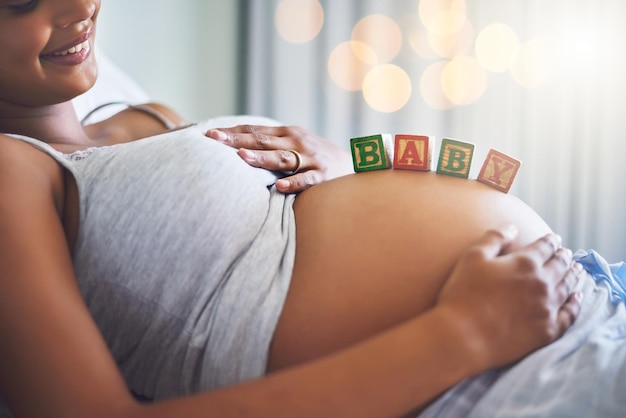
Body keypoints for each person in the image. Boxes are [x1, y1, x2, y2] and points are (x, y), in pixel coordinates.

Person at [0, 0, 603, 417]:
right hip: (492, 379)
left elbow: (298, 212)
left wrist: (344, 161)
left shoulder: (148, 117)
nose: (78, 7)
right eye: (21, 1)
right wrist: (465, 333)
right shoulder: (14, 172)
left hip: (584, 295)